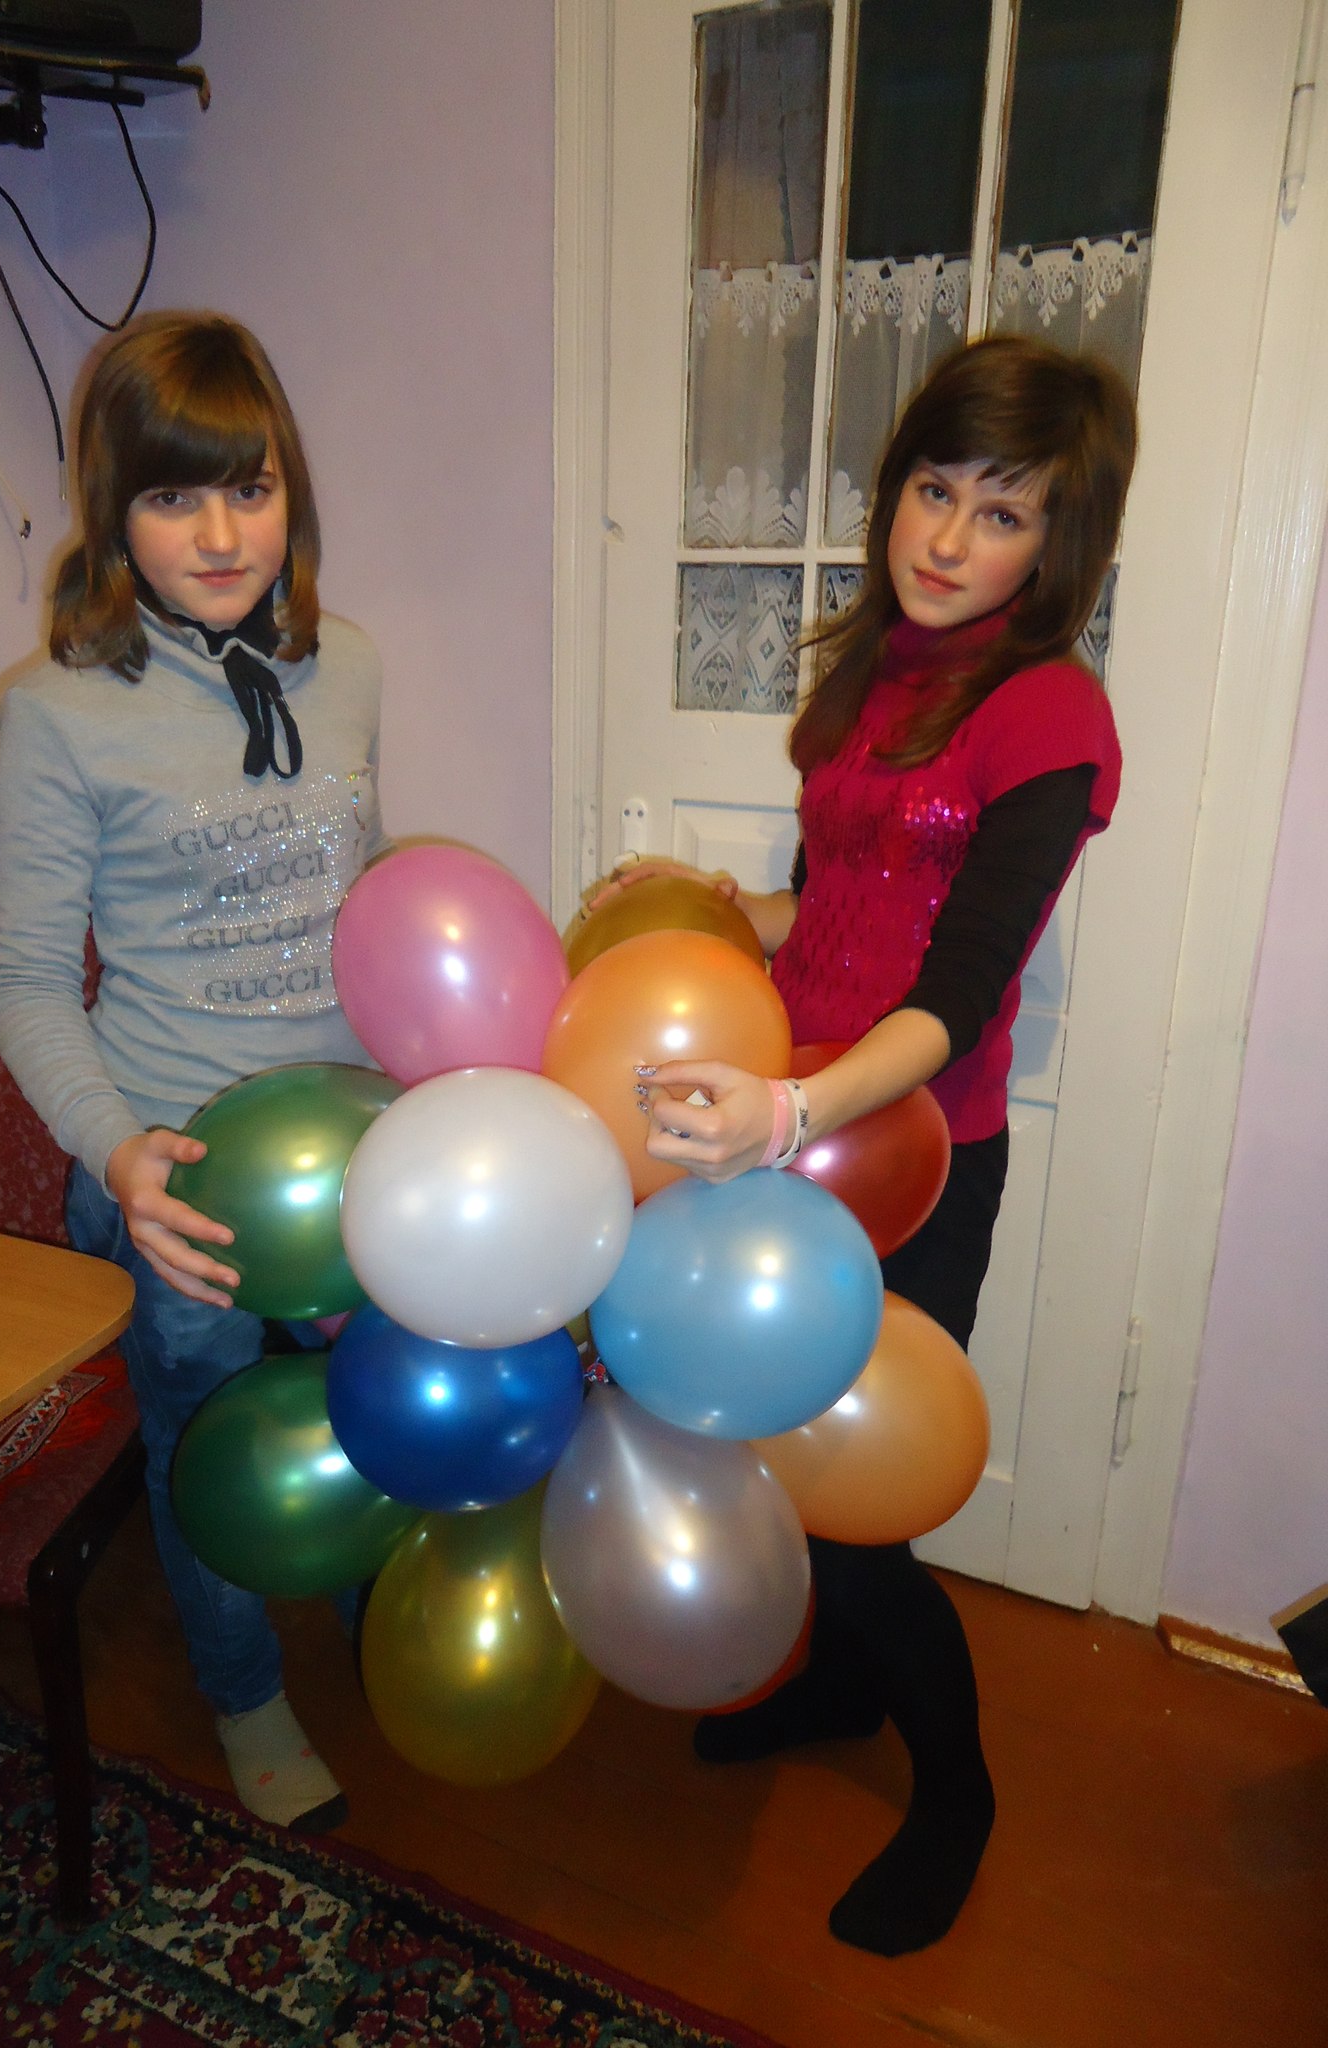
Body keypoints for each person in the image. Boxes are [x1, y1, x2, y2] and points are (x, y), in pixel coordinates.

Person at [605, 334, 1137, 1955]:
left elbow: (958, 995)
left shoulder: (1048, 713)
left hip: (910, 1159)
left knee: (860, 1499)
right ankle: (835, 1692)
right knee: (774, 1457)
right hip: (792, 1128)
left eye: (1002, 512)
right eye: (933, 488)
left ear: (1057, 546)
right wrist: (699, 911)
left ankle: (957, 1790)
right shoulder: (879, 671)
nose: (949, 537)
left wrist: (793, 1112)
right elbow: (831, 910)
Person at [0, 311, 385, 1833]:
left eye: (251, 488)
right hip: (180, 1170)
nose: (222, 536)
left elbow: (359, 902)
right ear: (114, 512)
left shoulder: (349, 666)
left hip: (349, 1147)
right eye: (173, 496)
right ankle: (241, 1690)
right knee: (206, 1439)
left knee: (368, 1396)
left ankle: (359, 1586)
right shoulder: (54, 709)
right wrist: (119, 1157)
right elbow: (28, 979)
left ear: (293, 491)